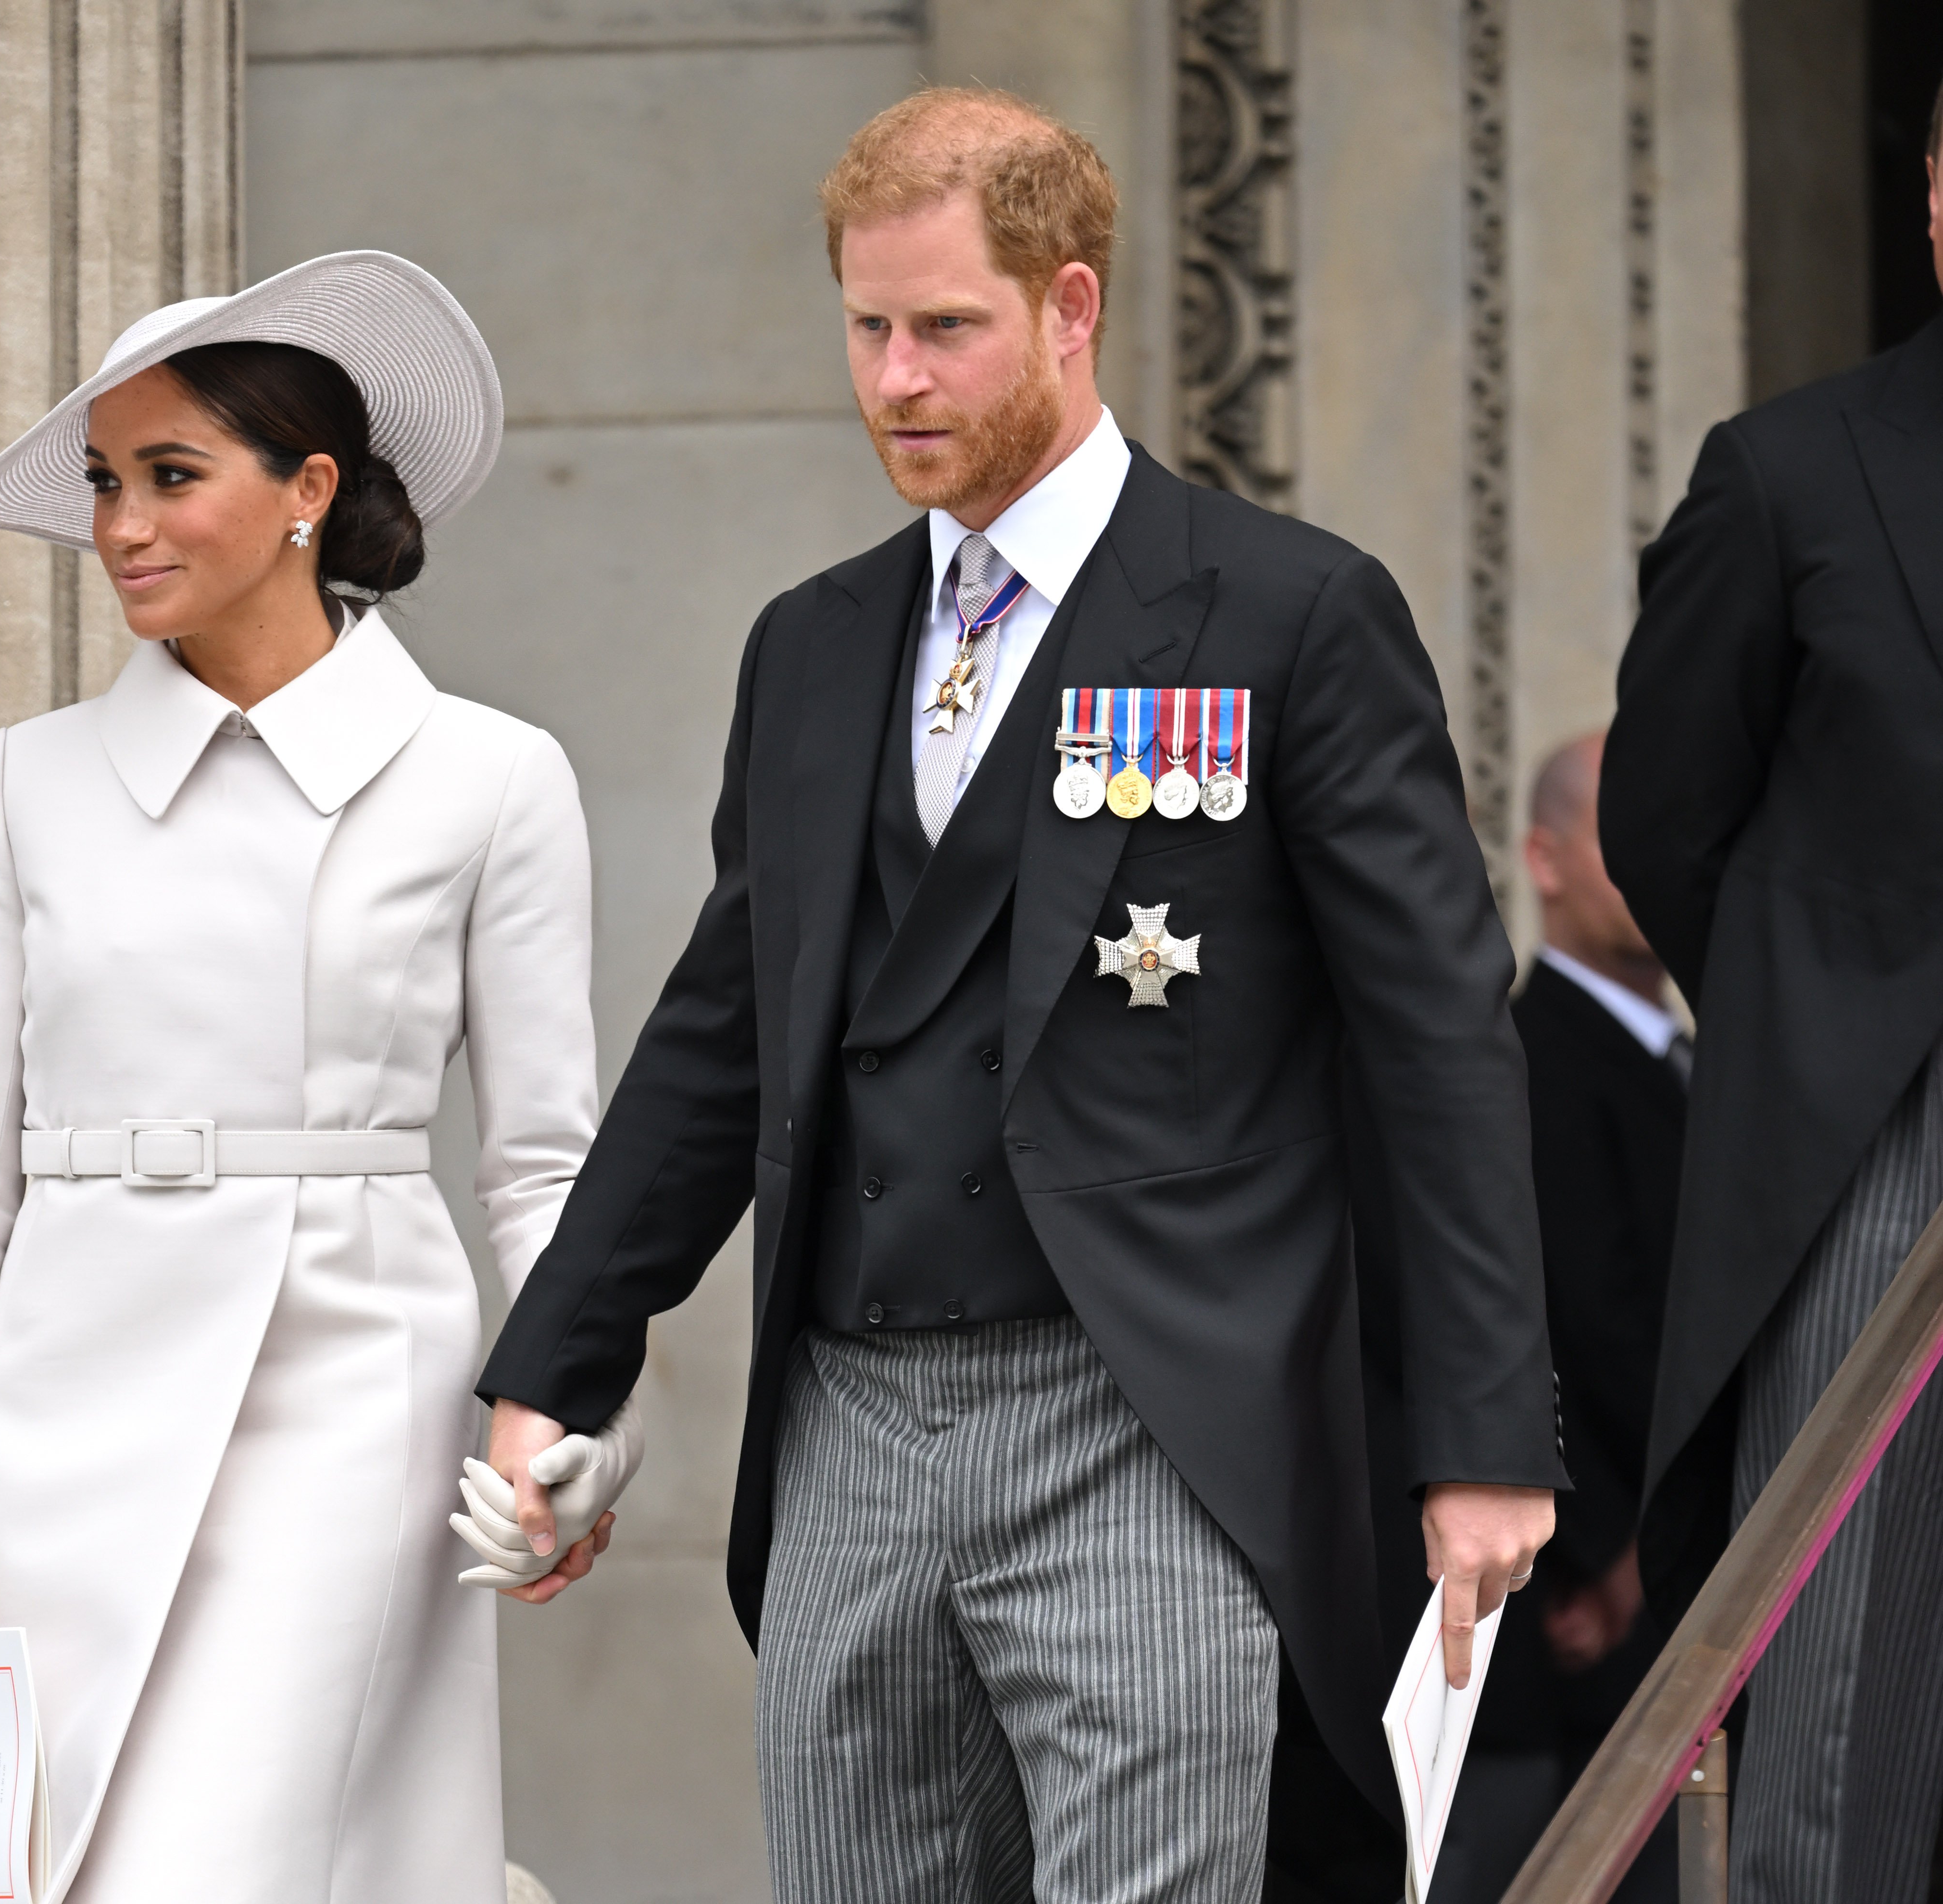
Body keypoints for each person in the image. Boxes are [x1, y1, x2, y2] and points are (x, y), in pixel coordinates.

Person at [466, 88, 1560, 1902]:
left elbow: (1438, 1043)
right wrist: (555, 1366)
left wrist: (1482, 1436)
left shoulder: (1285, 615)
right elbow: (722, 1033)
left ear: (1069, 307)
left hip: (1150, 1421)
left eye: (945, 327)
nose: (896, 378)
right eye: (866, 328)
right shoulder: (808, 645)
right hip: (846, 1424)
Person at [0, 252, 607, 1904]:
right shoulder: (26, 785)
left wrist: (571, 1412)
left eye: (171, 476)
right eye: (104, 481)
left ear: (307, 492)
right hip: (60, 1423)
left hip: (346, 1410)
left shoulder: (490, 779)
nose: (122, 525)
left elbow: (545, 1168)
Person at [1601, 78, 1943, 1904]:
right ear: (1938, 200)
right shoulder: (1791, 469)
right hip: (1883, 1151)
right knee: (1838, 1710)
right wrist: (1822, 1034)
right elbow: (1667, 819)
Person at [1433, 734, 1686, 1904]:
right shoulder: (1526, 1060)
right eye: (1614, 832)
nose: (1653, 861)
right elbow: (1571, 1323)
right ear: (1540, 858)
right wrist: (1613, 1547)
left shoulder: (1687, 1060)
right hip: (1583, 1602)